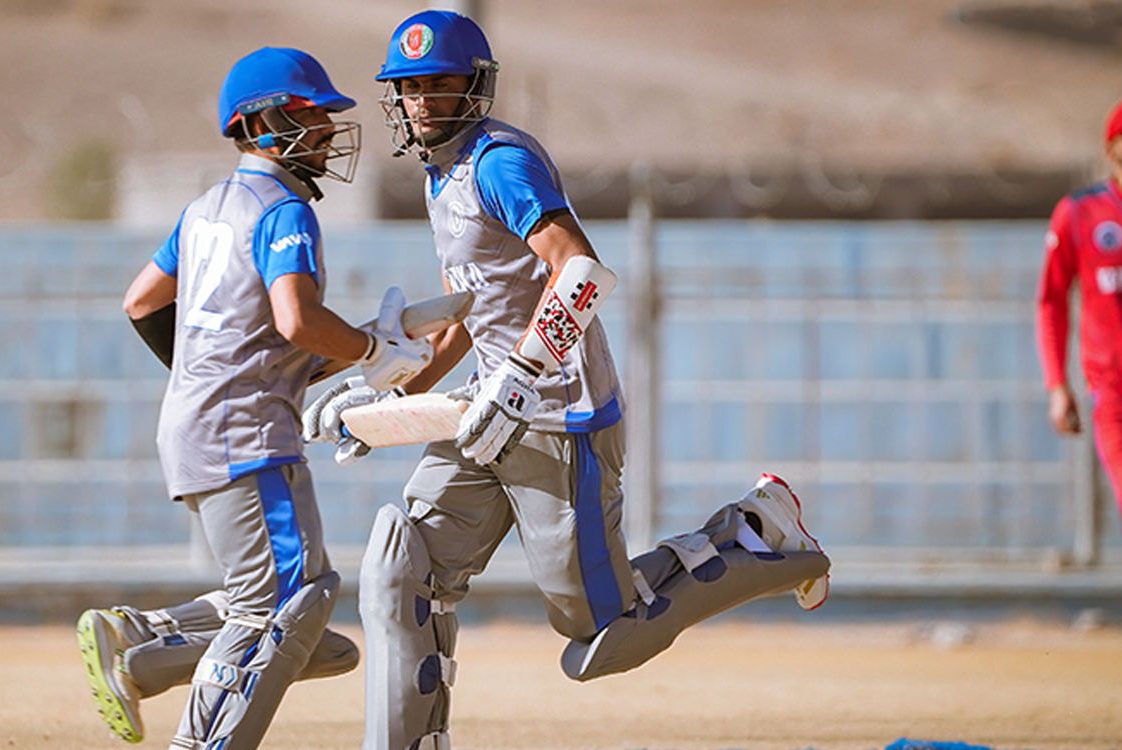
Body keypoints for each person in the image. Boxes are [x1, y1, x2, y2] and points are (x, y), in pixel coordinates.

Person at [300, 11, 832, 750]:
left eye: (437, 83)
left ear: (475, 86)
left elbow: (579, 271)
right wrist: (391, 388)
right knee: (404, 573)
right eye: (409, 86)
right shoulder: (441, 173)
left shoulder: (495, 162)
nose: (421, 99)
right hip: (488, 411)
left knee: (603, 636)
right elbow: (472, 313)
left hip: (561, 418)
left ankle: (756, 530)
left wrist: (519, 379)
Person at [75, 46, 435, 748]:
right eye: (314, 116)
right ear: (265, 122)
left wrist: (221, 370)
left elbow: (141, 300)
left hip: (199, 428)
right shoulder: (285, 211)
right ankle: (202, 734)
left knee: (321, 640)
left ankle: (143, 648)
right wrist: (369, 352)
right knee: (290, 604)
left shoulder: (207, 207)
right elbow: (295, 319)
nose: (330, 131)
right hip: (246, 436)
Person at [1036, 97, 1122, 695]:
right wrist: (1057, 385)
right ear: (1111, 149)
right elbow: (1051, 299)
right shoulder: (1081, 215)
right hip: (1115, 396)